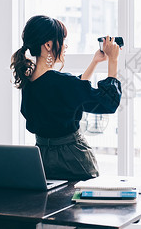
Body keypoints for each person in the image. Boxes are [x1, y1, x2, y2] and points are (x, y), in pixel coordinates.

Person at [10, 15, 121, 180]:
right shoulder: (62, 82)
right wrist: (113, 60)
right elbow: (108, 103)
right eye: (62, 40)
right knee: (80, 204)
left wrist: (94, 62)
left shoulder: (29, 82)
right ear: (48, 45)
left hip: (41, 158)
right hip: (73, 159)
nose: (65, 46)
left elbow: (73, 92)